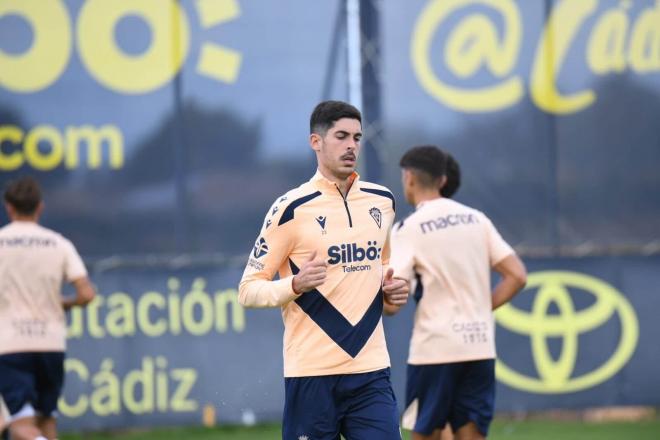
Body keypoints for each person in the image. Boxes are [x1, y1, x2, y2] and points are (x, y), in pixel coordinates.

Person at [238, 100, 409, 439]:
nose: (351, 146)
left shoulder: (383, 201)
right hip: (311, 376)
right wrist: (295, 285)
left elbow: (385, 269)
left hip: (371, 372)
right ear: (316, 142)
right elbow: (248, 290)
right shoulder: (290, 208)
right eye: (341, 136)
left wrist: (393, 294)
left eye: (357, 138)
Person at [385, 146, 527, 440]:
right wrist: (478, 310)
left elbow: (393, 303)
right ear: (442, 180)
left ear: (409, 178)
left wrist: (381, 298)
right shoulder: (477, 219)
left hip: (435, 350)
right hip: (479, 347)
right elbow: (517, 276)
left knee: (426, 434)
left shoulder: (408, 228)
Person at [0, 177, 95, 440]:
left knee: (20, 428)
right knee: (46, 424)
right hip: (51, 343)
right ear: (39, 207)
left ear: (9, 207)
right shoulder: (58, 243)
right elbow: (86, 294)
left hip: (11, 344)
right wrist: (65, 302)